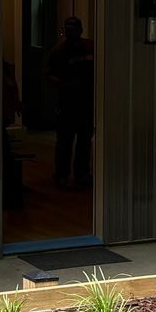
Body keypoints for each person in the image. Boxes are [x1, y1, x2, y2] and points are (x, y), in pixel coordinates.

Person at [46, 16, 95, 188]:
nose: (70, 32)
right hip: (67, 104)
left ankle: (82, 173)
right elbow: (49, 76)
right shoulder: (58, 52)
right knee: (65, 142)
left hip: (87, 104)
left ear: (80, 30)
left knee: (84, 141)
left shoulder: (92, 47)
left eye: (73, 29)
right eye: (68, 29)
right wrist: (64, 85)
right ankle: (62, 174)